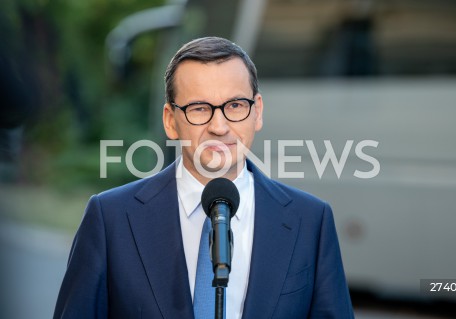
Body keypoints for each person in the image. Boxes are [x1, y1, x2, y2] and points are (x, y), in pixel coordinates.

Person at [54, 36, 354, 319]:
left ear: (257, 111)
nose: (219, 126)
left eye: (235, 106)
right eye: (200, 109)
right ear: (171, 121)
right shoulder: (111, 219)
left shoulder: (311, 221)